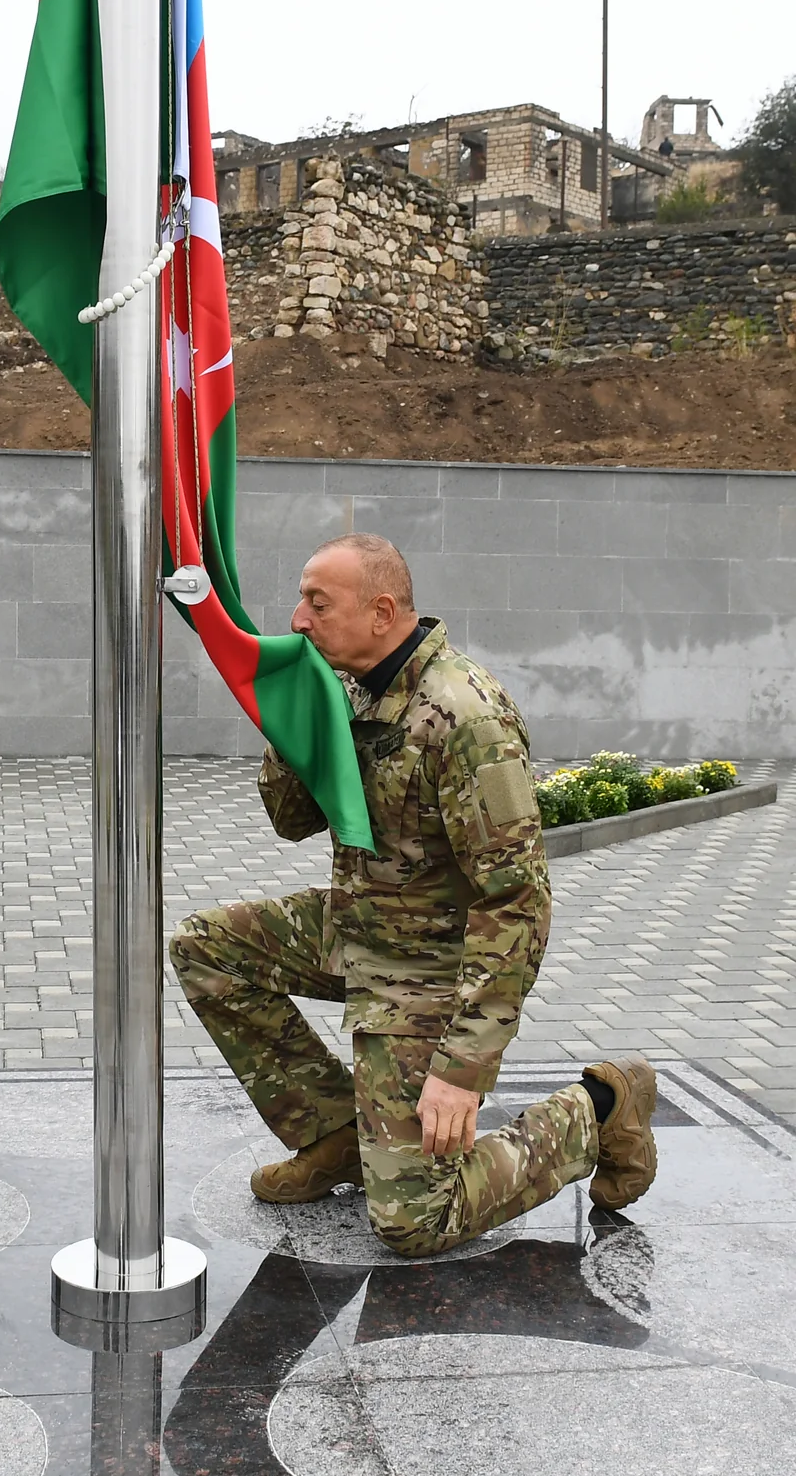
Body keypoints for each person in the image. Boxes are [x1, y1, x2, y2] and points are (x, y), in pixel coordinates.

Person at [169, 533, 657, 1257]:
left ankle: (602, 1108)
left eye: (317, 602)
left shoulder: (465, 717)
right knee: (206, 948)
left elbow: (516, 901)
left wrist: (462, 1068)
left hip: (433, 968)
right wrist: (295, 716)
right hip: (360, 925)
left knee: (414, 1222)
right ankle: (334, 1132)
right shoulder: (349, 683)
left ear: (382, 610)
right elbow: (290, 818)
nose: (298, 620)